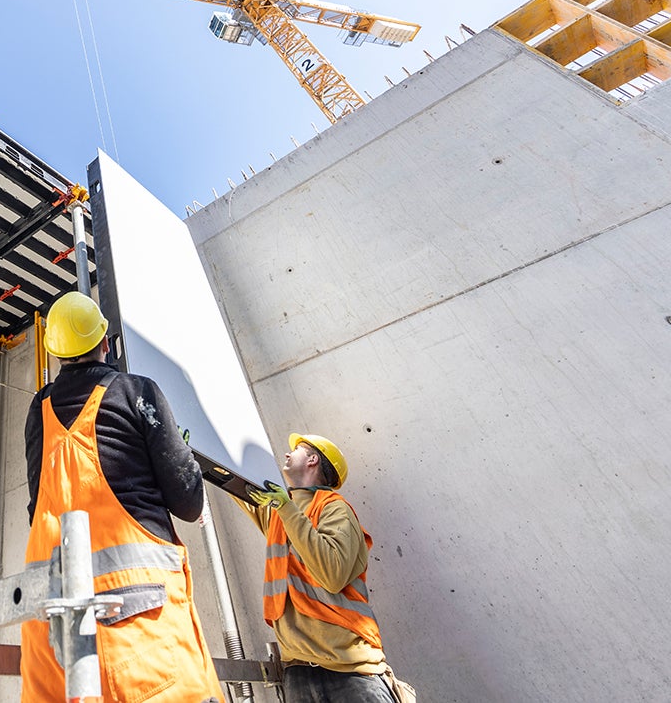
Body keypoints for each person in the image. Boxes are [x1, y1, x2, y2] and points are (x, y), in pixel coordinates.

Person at [20, 291, 222, 703]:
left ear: (55, 352)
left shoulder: (37, 411)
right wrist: (179, 456)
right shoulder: (136, 392)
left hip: (51, 639)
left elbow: (36, 510)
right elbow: (188, 503)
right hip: (138, 629)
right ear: (106, 343)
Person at [238, 433, 408, 703]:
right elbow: (234, 480)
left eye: (296, 450)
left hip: (351, 671)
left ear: (313, 459)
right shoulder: (279, 510)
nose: (286, 455)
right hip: (298, 672)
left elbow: (332, 574)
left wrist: (285, 507)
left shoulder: (335, 509)